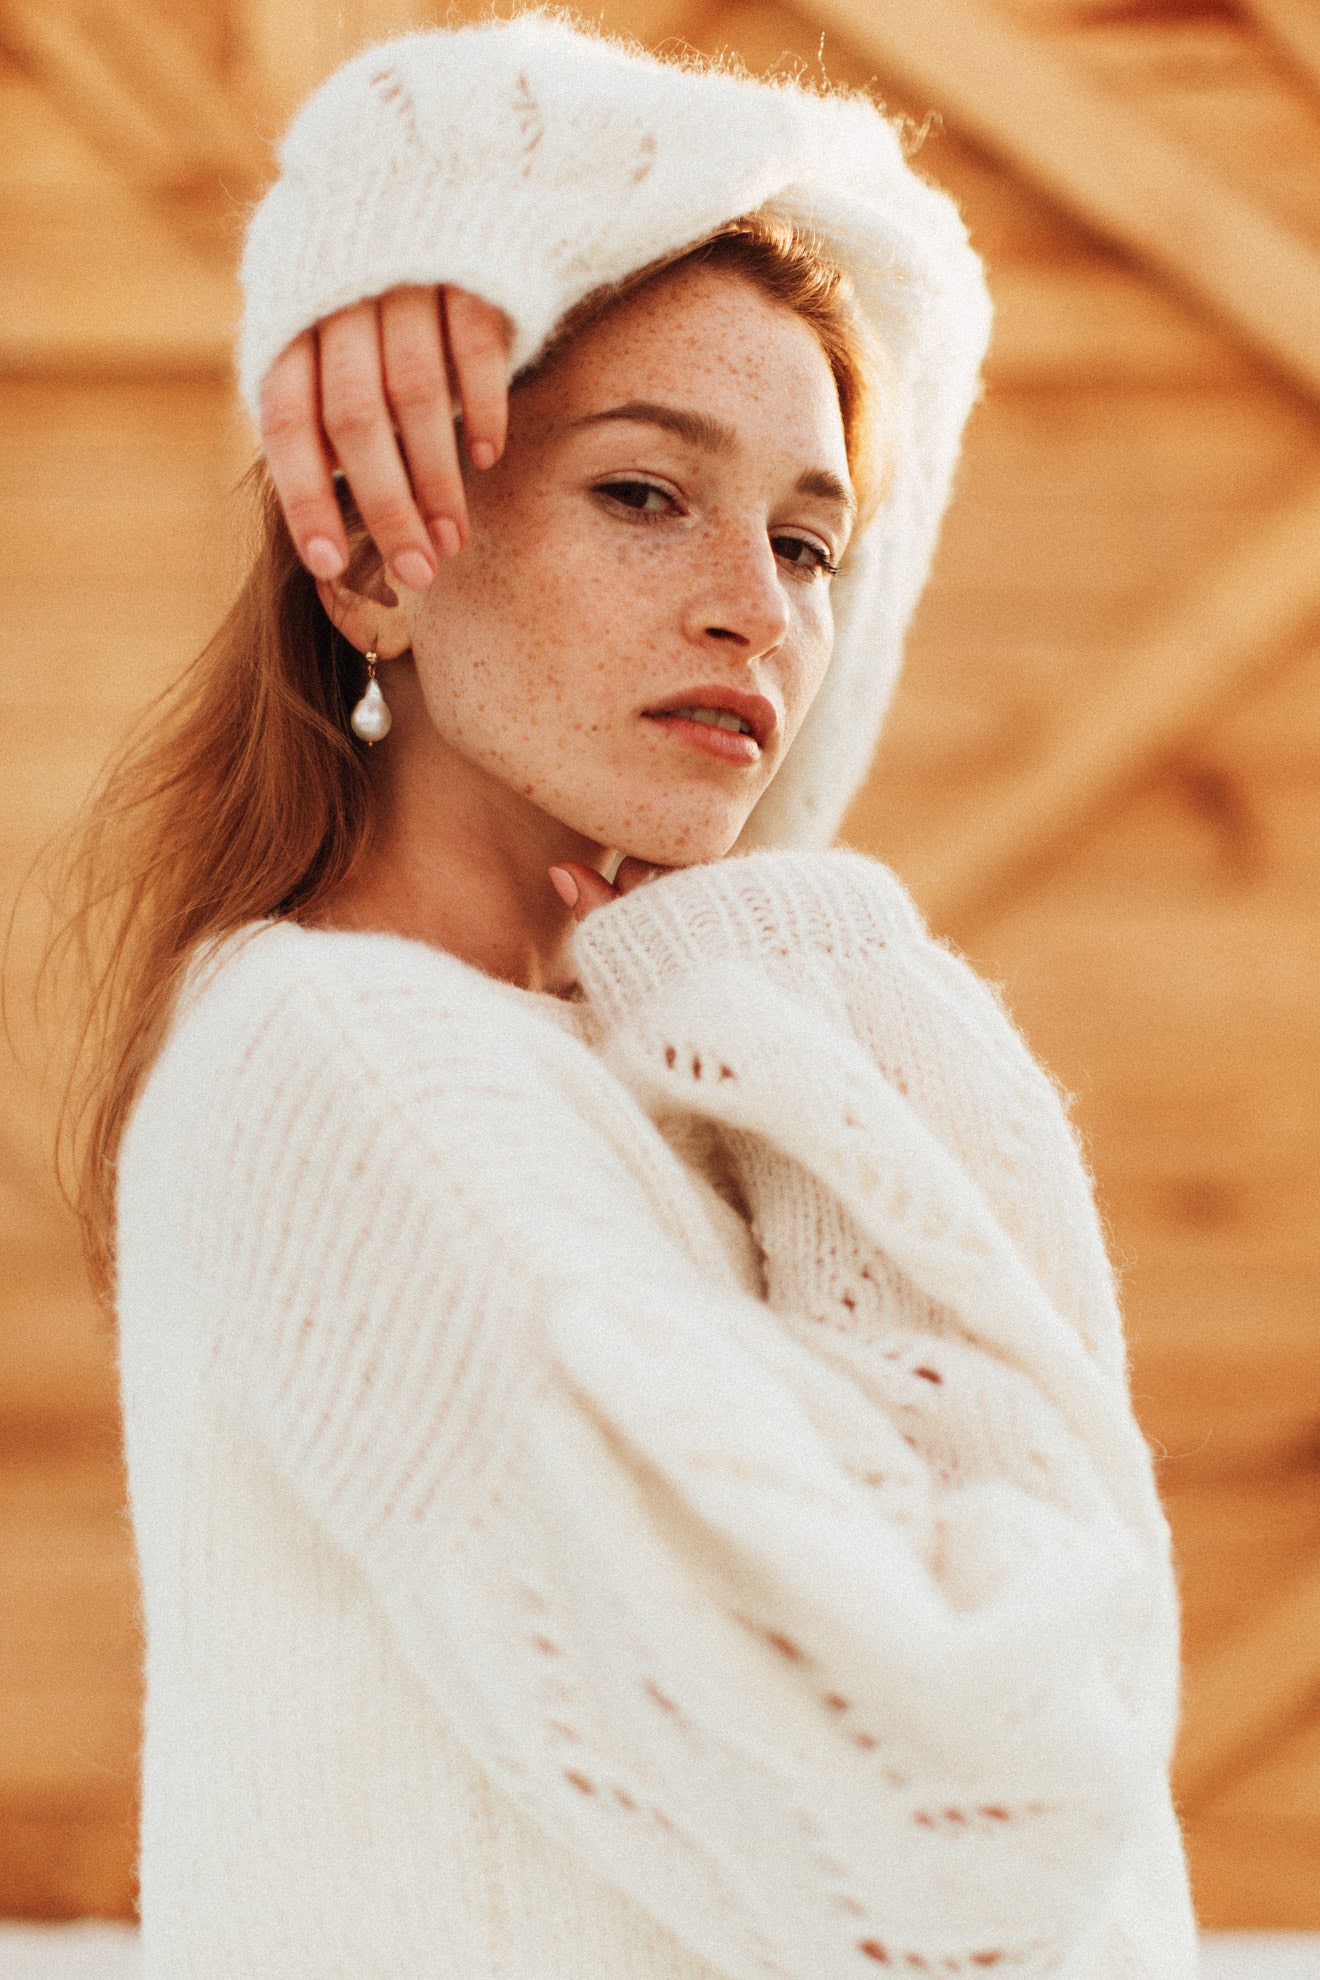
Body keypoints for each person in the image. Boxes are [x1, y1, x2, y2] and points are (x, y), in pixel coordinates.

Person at [61, 14, 1198, 1977]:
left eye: (812, 539)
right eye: (645, 494)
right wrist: (833, 979)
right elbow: (974, 1834)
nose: (758, 606)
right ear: (372, 564)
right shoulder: (362, 1077)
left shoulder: (626, 1070)